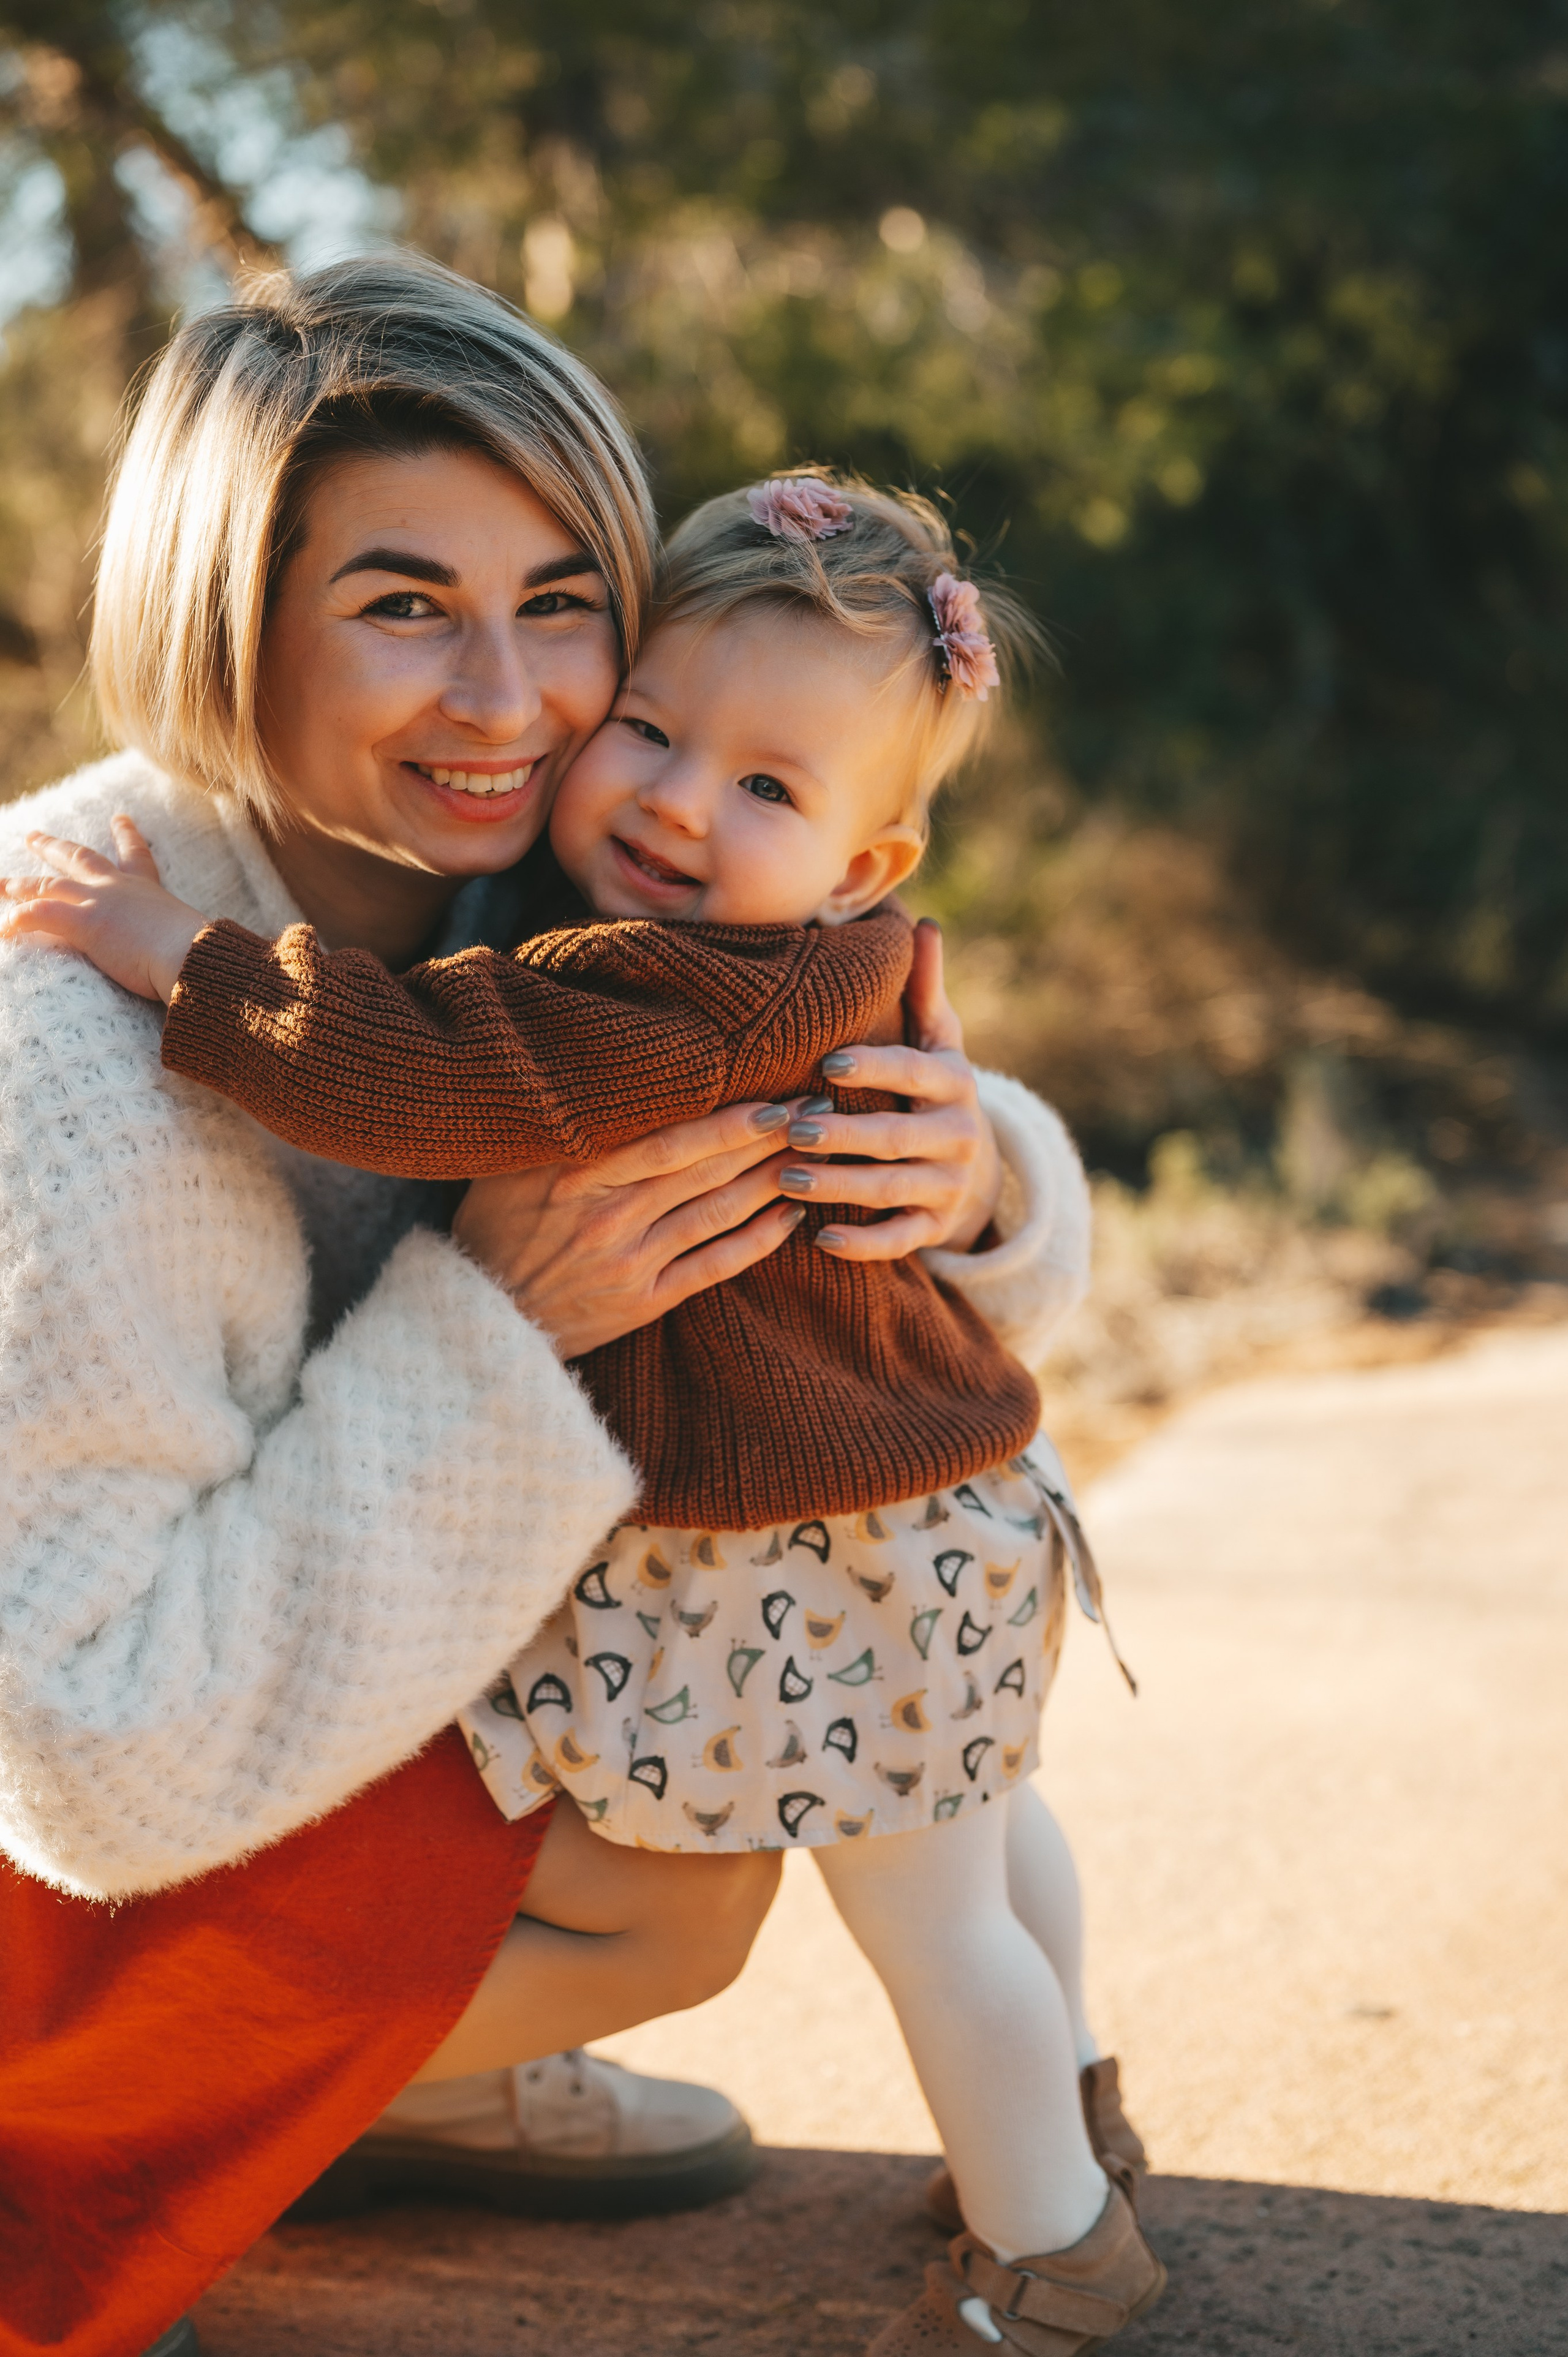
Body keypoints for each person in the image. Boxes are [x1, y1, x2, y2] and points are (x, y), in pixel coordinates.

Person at [0, 262, 1098, 2357]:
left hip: (269, 1708)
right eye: (405, 604)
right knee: (666, 1866)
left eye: (563, 599)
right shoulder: (62, 1036)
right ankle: (178, 2101)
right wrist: (496, 1329)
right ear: (229, 621)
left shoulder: (565, 859)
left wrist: (970, 1173)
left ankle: (398, 2075)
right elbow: (82, 1761)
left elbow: (803, 1065)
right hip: (42, 1844)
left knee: (721, 1772)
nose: (509, 698)